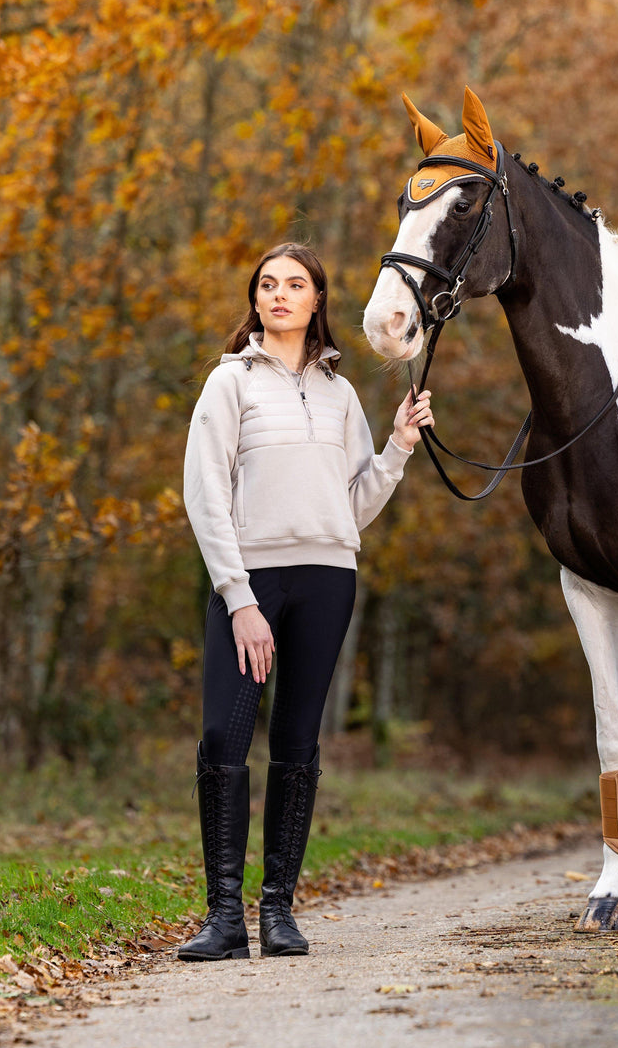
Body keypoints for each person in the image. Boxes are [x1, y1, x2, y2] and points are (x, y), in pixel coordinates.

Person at [179, 243, 433, 962]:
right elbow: (206, 495)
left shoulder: (340, 394)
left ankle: (278, 913)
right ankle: (224, 918)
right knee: (224, 739)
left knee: (297, 743)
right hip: (252, 581)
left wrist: (398, 446)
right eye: (268, 285)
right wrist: (239, 598)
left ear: (317, 299)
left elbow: (352, 507)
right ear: (255, 299)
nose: (279, 295)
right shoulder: (229, 383)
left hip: (327, 579)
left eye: (295, 284)